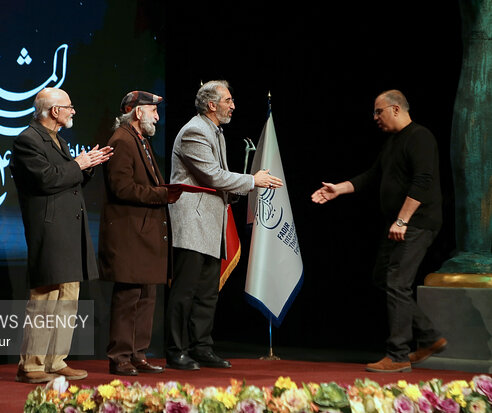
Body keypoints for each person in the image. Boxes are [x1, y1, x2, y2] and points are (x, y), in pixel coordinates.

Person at [311, 89, 447, 373]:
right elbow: (372, 176)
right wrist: (340, 189)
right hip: (398, 224)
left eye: (378, 111)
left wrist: (402, 220)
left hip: (416, 223)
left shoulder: (420, 137)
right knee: (383, 278)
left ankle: (397, 355)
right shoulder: (393, 142)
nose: (375, 117)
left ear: (396, 109)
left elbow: (423, 181)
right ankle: (429, 336)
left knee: (397, 282)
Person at [166, 80, 283, 370]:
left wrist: (238, 189)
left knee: (207, 292)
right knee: (185, 291)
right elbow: (212, 176)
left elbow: (217, 179)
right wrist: (252, 181)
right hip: (193, 222)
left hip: (210, 222)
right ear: (211, 105)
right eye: (228, 100)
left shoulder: (214, 131)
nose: (233, 105)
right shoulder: (195, 131)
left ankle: (202, 347)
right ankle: (176, 350)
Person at [10, 87, 113, 383]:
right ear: (54, 111)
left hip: (69, 229)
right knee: (46, 295)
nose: (72, 111)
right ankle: (31, 365)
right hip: (50, 228)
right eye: (68, 107)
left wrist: (88, 164)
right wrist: (78, 164)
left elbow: (67, 177)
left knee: (69, 294)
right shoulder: (27, 140)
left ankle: (56, 360)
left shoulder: (59, 140)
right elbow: (46, 179)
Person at [99, 91, 181, 376]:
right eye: (153, 111)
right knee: (129, 297)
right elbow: (121, 188)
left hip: (143, 236)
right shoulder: (122, 141)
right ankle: (120, 356)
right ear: (137, 112)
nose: (157, 117)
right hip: (129, 235)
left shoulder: (140, 141)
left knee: (147, 296)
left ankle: (138, 354)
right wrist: (163, 194)